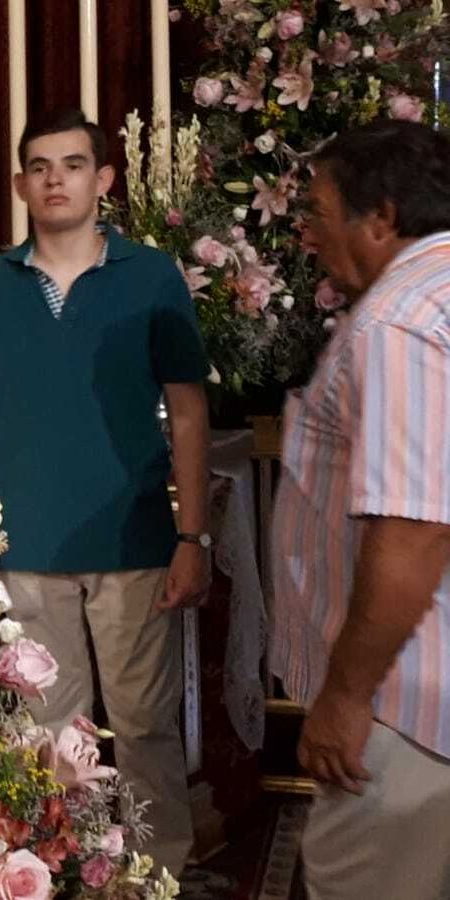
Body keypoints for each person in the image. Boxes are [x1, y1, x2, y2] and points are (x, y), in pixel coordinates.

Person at [0, 109, 211, 875]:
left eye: (71, 163)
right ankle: (67, 867)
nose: (54, 178)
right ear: (23, 183)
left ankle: (161, 870)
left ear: (103, 180)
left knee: (144, 723)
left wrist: (193, 537)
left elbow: (189, 413)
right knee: (46, 727)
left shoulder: (151, 275)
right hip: (24, 544)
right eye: (39, 165)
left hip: (131, 541)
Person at [271, 120, 450, 900]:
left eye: (317, 212)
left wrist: (345, 697)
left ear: (380, 216)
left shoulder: (398, 324)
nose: (309, 234)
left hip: (406, 704)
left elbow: (414, 528)